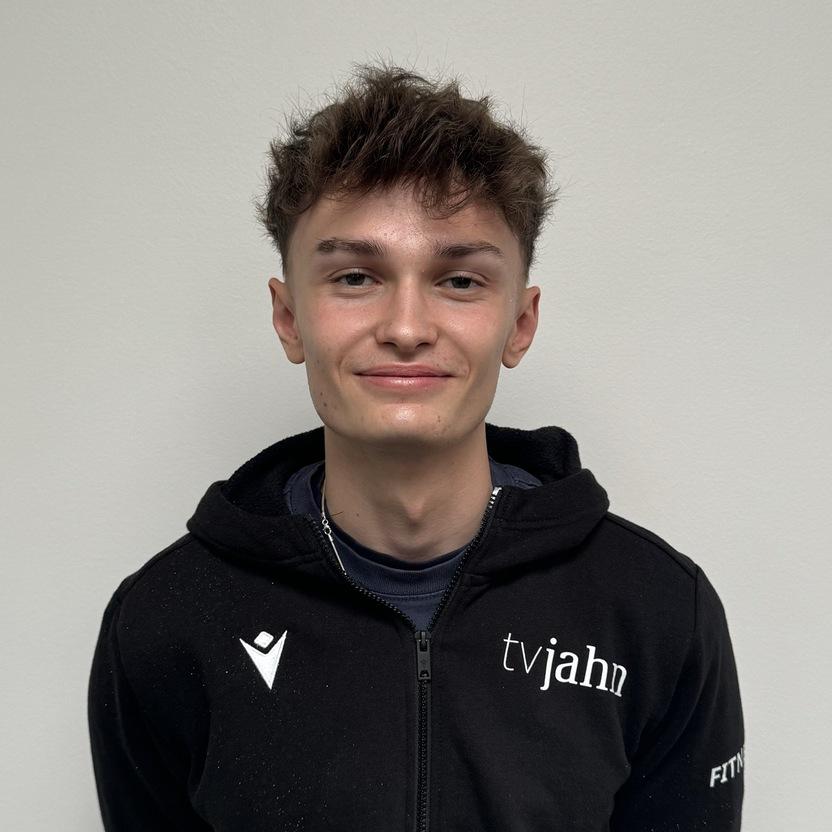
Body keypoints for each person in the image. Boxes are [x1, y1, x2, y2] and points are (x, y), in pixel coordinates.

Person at [87, 63, 745, 831]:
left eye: (460, 281)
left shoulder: (658, 610)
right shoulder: (166, 620)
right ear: (289, 317)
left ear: (520, 323)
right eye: (356, 276)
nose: (405, 327)